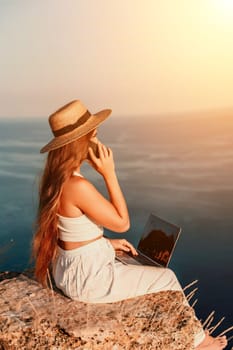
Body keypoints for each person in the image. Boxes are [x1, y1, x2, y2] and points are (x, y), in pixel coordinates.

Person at [32, 99, 227, 349]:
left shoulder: (54, 180)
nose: (98, 140)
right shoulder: (78, 186)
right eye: (94, 133)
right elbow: (122, 222)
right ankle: (201, 343)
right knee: (166, 277)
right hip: (87, 280)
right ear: (83, 141)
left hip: (69, 271)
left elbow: (70, 232)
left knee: (134, 260)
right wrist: (109, 173)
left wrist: (105, 244)